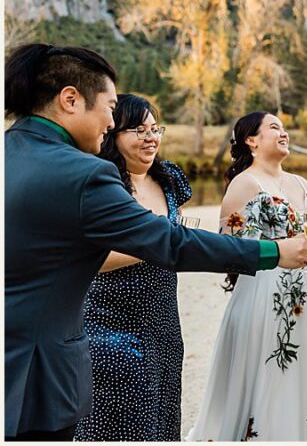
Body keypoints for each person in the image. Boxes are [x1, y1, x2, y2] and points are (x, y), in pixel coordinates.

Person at [4, 44, 307, 441]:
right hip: (37, 380)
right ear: (71, 100)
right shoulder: (83, 174)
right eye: (109, 107)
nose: (110, 121)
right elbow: (172, 242)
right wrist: (274, 251)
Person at [187, 112, 307, 441]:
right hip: (265, 294)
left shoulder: (300, 183)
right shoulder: (245, 183)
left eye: (284, 128)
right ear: (252, 140)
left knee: (304, 374)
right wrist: (276, 250)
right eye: (274, 127)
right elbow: (228, 247)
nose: (284, 133)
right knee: (271, 377)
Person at [74, 95, 191, 441]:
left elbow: (178, 234)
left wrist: (171, 240)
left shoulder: (169, 179)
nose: (151, 137)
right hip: (109, 326)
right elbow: (86, 258)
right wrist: (156, 242)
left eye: (155, 129)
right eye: (139, 130)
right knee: (116, 427)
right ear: (113, 133)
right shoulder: (99, 186)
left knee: (162, 423)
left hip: (164, 324)